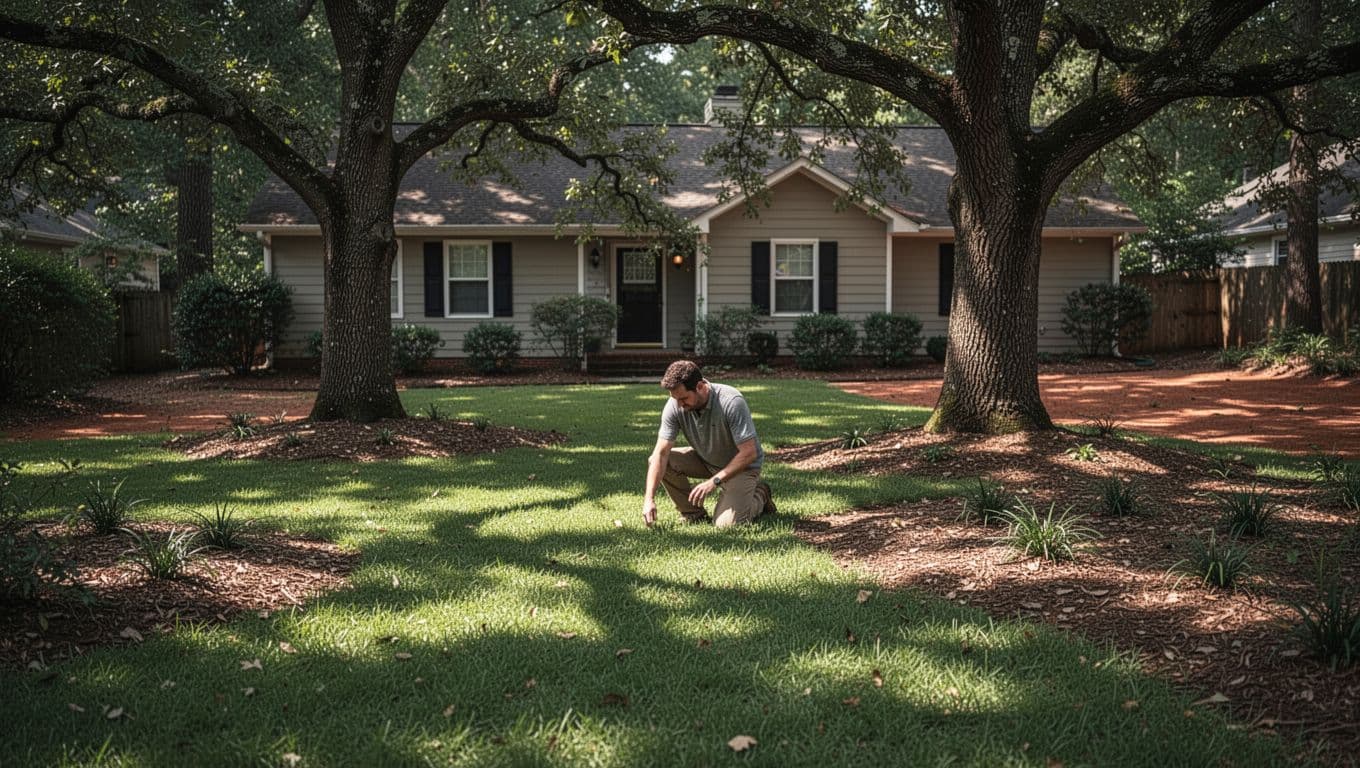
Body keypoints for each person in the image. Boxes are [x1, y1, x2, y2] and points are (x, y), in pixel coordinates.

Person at [642, 360, 775, 527]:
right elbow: (661, 454)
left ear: (700, 386)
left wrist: (714, 481)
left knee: (728, 525)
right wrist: (649, 499)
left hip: (742, 468)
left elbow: (750, 453)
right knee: (659, 459)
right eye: (675, 399)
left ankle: (760, 495)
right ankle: (693, 514)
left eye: (684, 398)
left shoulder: (731, 401)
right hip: (706, 460)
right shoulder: (676, 405)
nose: (679, 405)